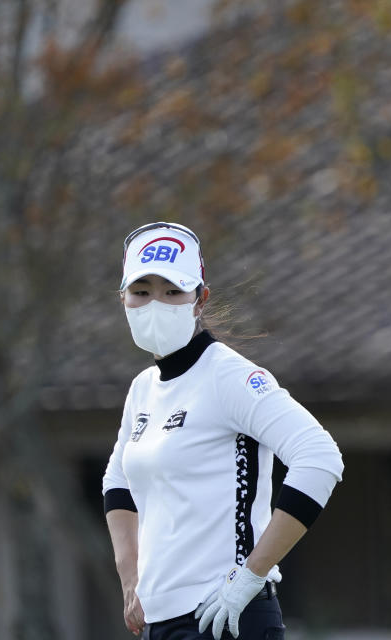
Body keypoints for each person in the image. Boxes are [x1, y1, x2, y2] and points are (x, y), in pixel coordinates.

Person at [102, 222, 344, 640]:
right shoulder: (143, 388)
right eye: (141, 291)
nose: (156, 303)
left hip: (227, 617)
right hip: (160, 622)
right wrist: (130, 578)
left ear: (200, 300)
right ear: (122, 298)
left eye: (173, 291)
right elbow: (118, 481)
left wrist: (251, 576)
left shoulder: (228, 376)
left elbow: (319, 458)